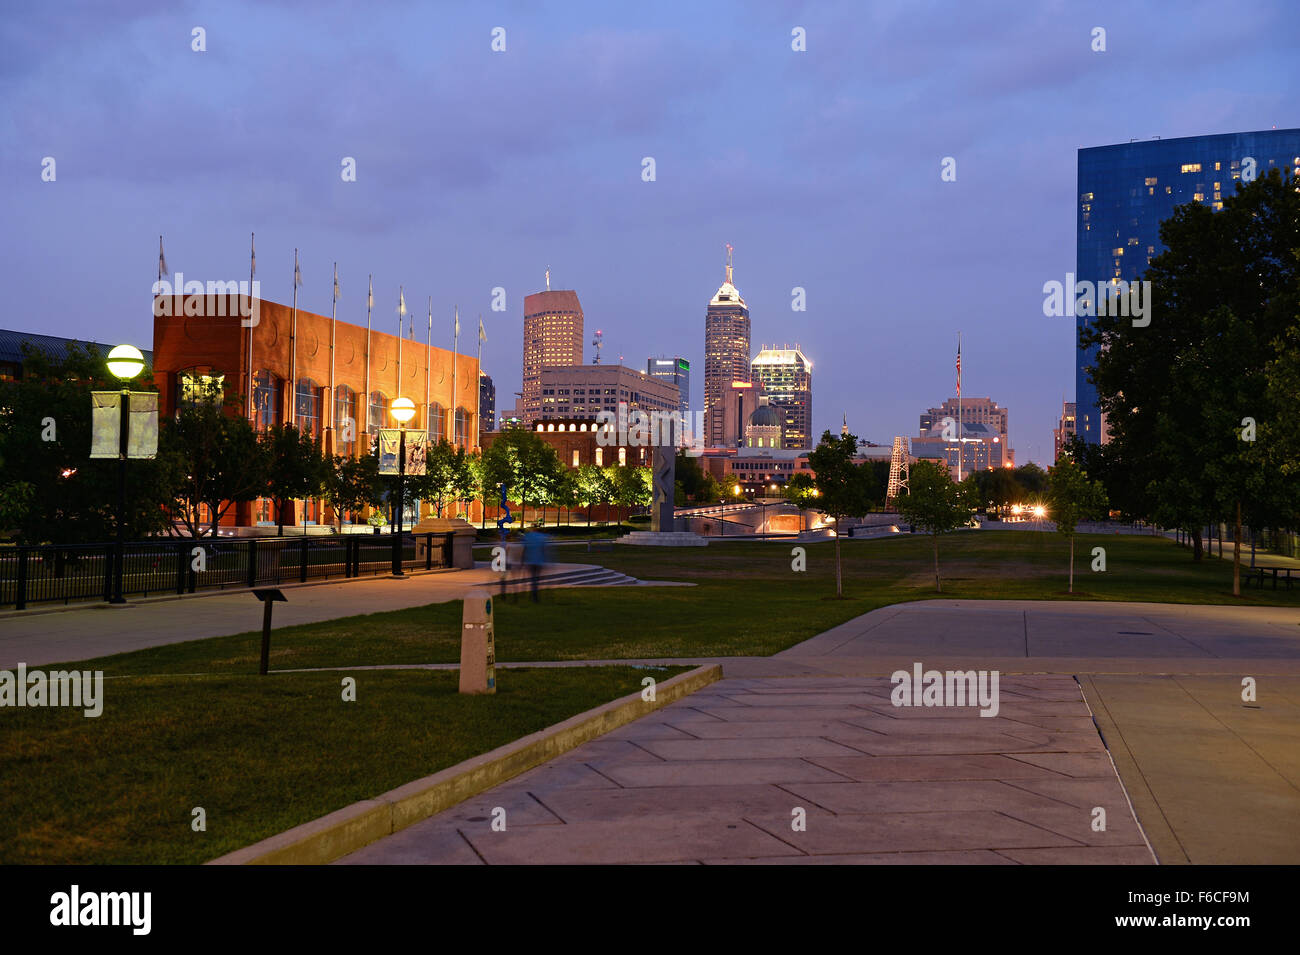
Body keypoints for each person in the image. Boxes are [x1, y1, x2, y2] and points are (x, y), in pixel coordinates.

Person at [522, 529, 549, 602]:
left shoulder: (528, 536)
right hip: (539, 561)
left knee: (533, 578)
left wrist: (523, 560)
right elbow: (543, 550)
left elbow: (525, 549)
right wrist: (545, 560)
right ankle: (534, 594)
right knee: (536, 578)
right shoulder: (541, 537)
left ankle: (533, 593)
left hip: (530, 561)